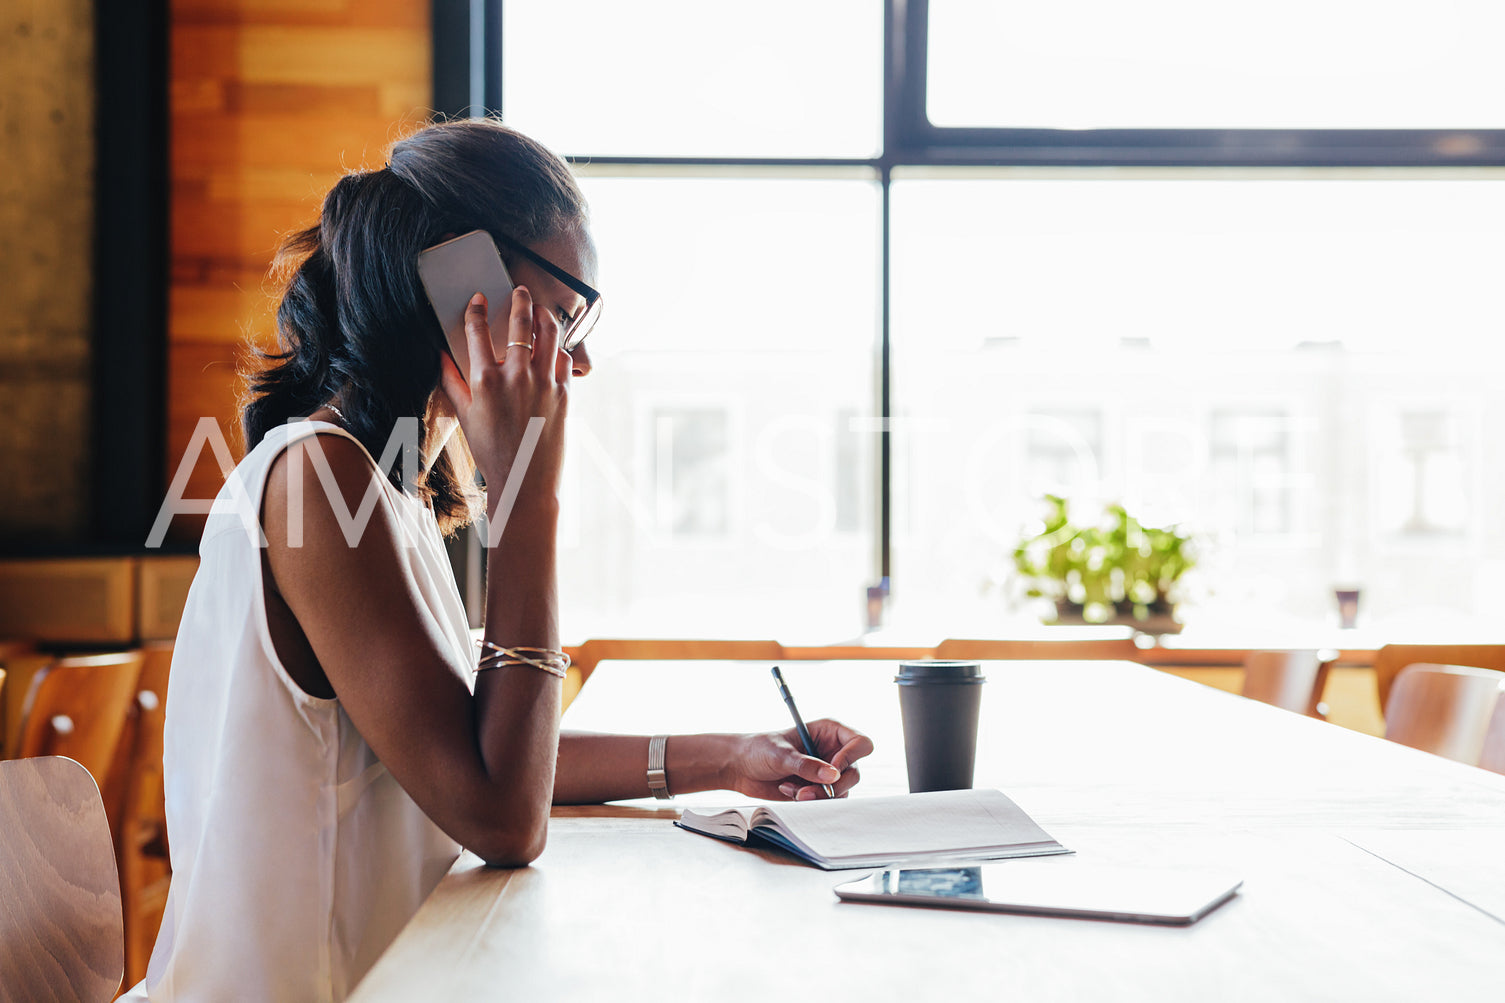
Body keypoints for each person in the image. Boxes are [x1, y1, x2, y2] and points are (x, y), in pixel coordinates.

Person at [123, 118, 872, 1001]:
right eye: (567, 313)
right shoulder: (317, 480)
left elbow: (475, 748)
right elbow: (502, 816)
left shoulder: (383, 481)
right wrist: (527, 497)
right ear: (460, 285)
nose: (581, 357)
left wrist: (731, 756)